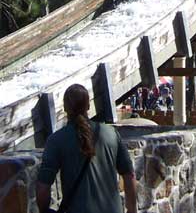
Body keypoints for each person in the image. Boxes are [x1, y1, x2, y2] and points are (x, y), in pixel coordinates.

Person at [36, 84, 137, 213]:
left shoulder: (57, 140)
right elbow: (129, 175)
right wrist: (132, 209)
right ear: (88, 106)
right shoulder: (111, 134)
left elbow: (43, 187)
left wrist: (44, 210)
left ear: (65, 108)